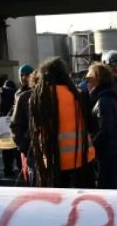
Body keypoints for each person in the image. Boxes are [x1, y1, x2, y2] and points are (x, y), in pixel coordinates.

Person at [30, 58, 95, 188]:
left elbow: (33, 128)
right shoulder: (78, 95)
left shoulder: (40, 97)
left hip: (54, 159)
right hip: (82, 157)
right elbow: (91, 124)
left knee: (59, 202)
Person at [87, 62, 117, 189]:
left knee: (106, 191)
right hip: (110, 152)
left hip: (105, 154)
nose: (87, 82)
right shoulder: (110, 96)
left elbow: (106, 129)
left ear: (97, 79)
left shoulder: (103, 100)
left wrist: (92, 144)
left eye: (89, 78)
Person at [10, 64, 35, 185]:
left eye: (27, 75)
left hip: (34, 138)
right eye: (22, 75)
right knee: (26, 170)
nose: (24, 77)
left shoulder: (37, 91)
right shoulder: (18, 93)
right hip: (23, 139)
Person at [0, 79, 20, 178]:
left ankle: (8, 170)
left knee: (6, 149)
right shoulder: (14, 93)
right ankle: (19, 169)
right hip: (12, 122)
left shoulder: (0, 94)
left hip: (2, 123)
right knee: (16, 147)